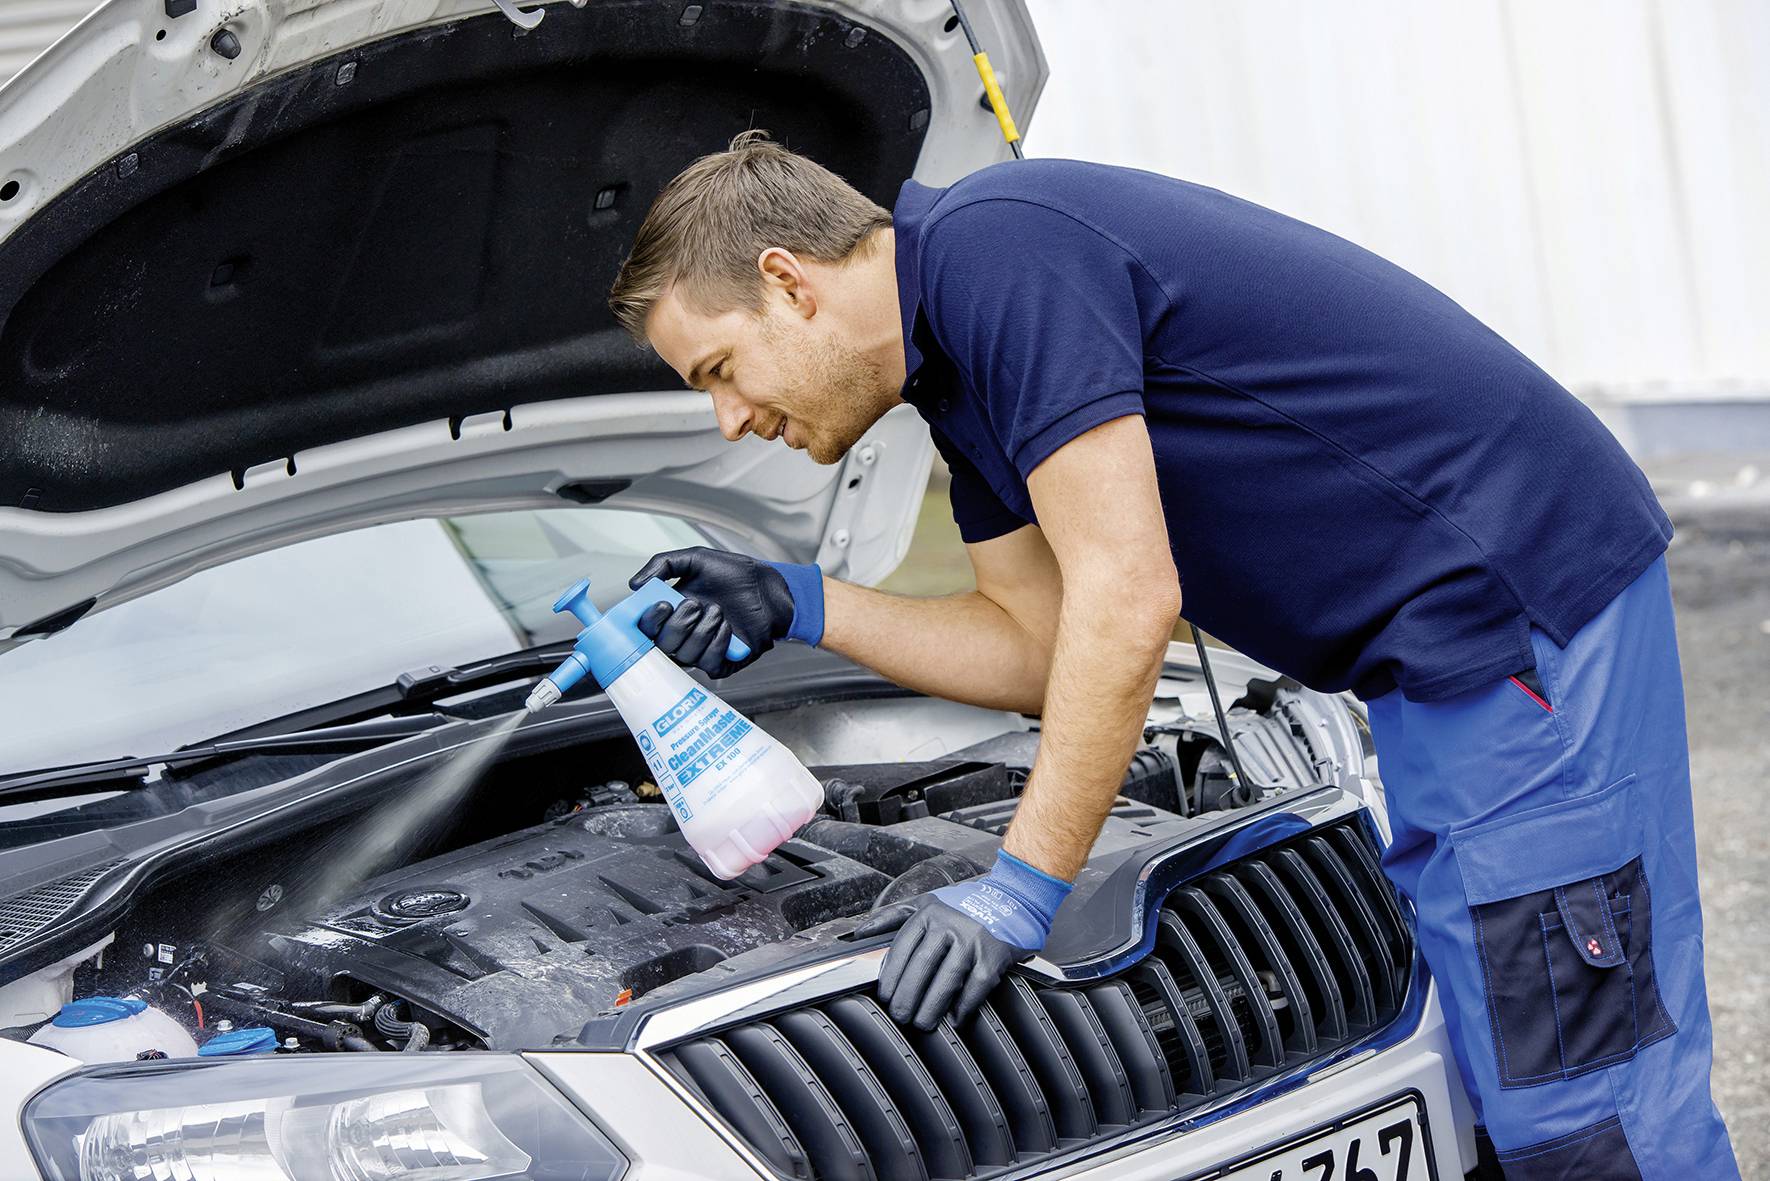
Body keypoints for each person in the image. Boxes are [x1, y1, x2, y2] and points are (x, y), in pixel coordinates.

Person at [605, 131, 1737, 1178]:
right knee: (1510, 1064)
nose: (728, 420)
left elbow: (1126, 593)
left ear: (790, 283)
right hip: (1423, 667)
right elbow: (1037, 648)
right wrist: (797, 598)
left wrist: (1020, 888)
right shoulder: (958, 380)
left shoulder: (1003, 251)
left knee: (1588, 1101)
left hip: (1513, 617)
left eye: (716, 370)